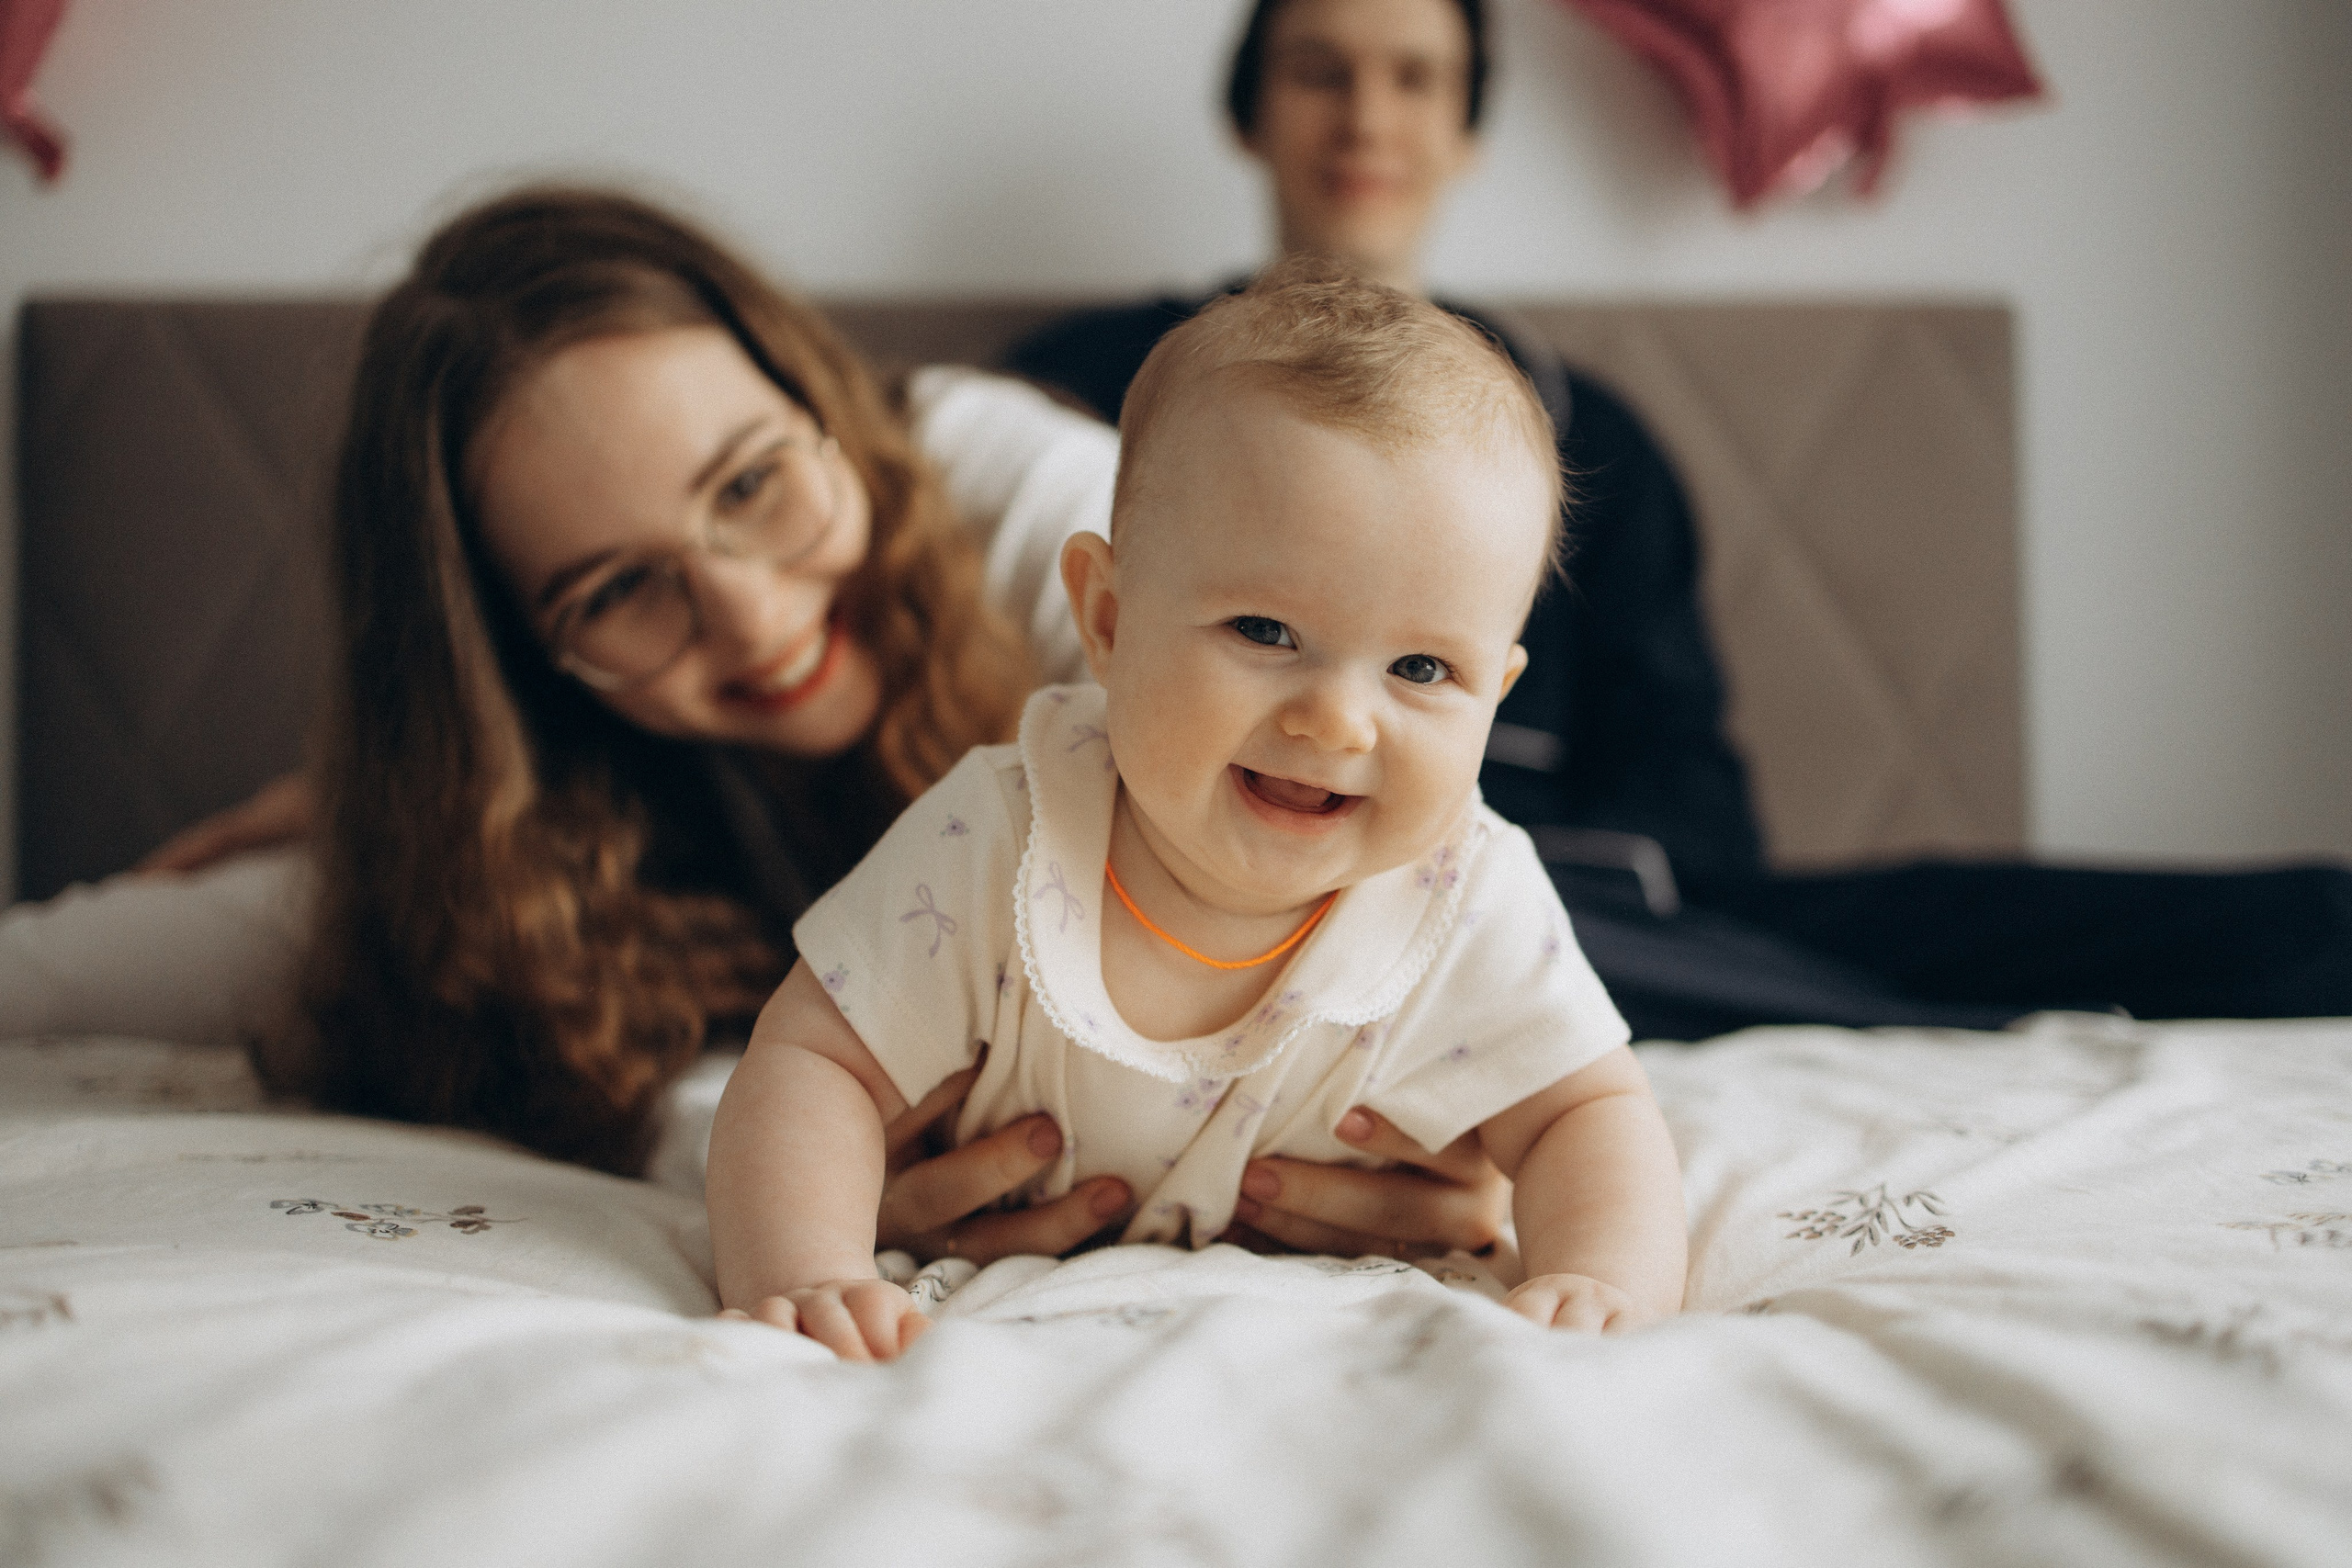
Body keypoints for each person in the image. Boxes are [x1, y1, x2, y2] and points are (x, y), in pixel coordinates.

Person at [1, 184, 1517, 1268]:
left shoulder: (1023, 512)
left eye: (750, 483)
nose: (750, 615)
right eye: (616, 590)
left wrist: (1485, 1137)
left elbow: (1373, 808)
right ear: (523, 664)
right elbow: (53, 974)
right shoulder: (510, 828)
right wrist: (817, 1189)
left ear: (823, 399)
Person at [1005, 0, 2352, 1038]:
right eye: (1320, 71)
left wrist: (1507, 876)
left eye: (1415, 78)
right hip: (1219, 883)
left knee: (2292, 926)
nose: (1367, 116)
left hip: (1594, 901)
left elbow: (1694, 804)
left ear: (1467, 133)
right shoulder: (1084, 392)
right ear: (1248, 118)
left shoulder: (1592, 441)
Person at [707, 264, 1686, 1360]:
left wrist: (1600, 1280)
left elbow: (1586, 1114)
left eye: (1420, 668)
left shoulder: (1462, 893)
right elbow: (813, 1064)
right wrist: (810, 1268)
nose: (1337, 722)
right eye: (1264, 632)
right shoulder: (999, 834)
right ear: (1108, 619)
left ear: (1493, 696)